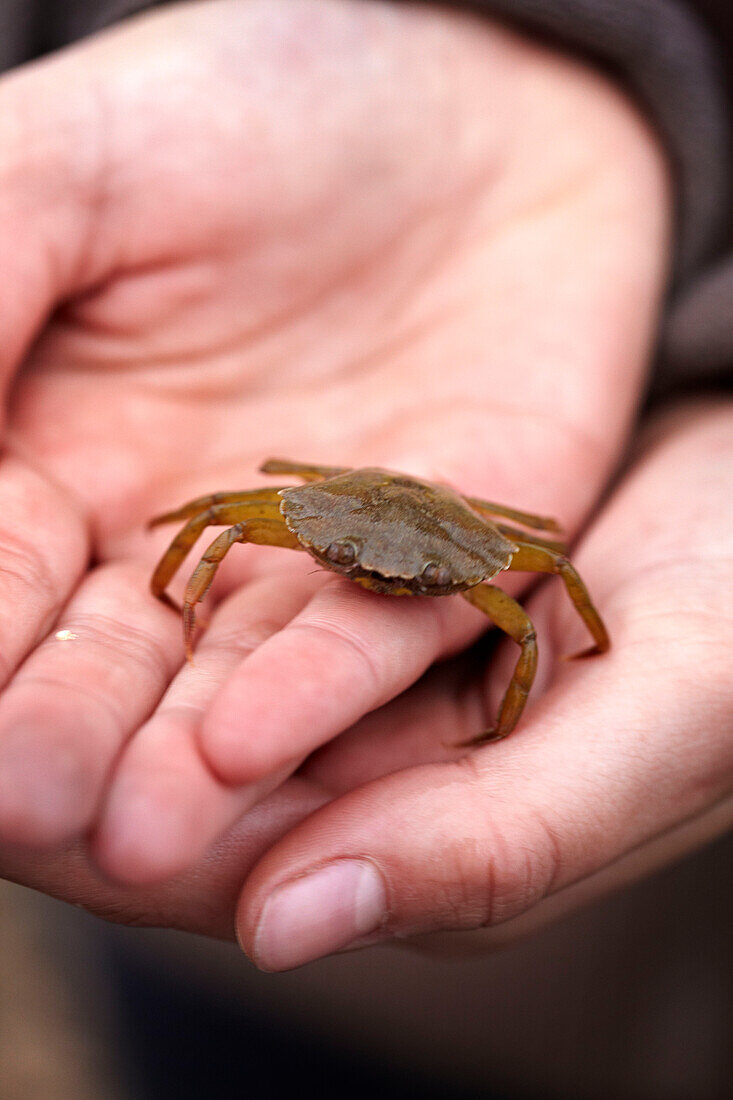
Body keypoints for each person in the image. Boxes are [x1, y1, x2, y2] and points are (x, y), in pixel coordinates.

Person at [0, 0, 729, 1093]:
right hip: (246, 993)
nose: (382, 584)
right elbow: (207, 517)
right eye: (363, 565)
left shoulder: (491, 553)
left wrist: (567, 653)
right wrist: (184, 590)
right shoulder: (305, 504)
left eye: (411, 581)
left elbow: (549, 584)